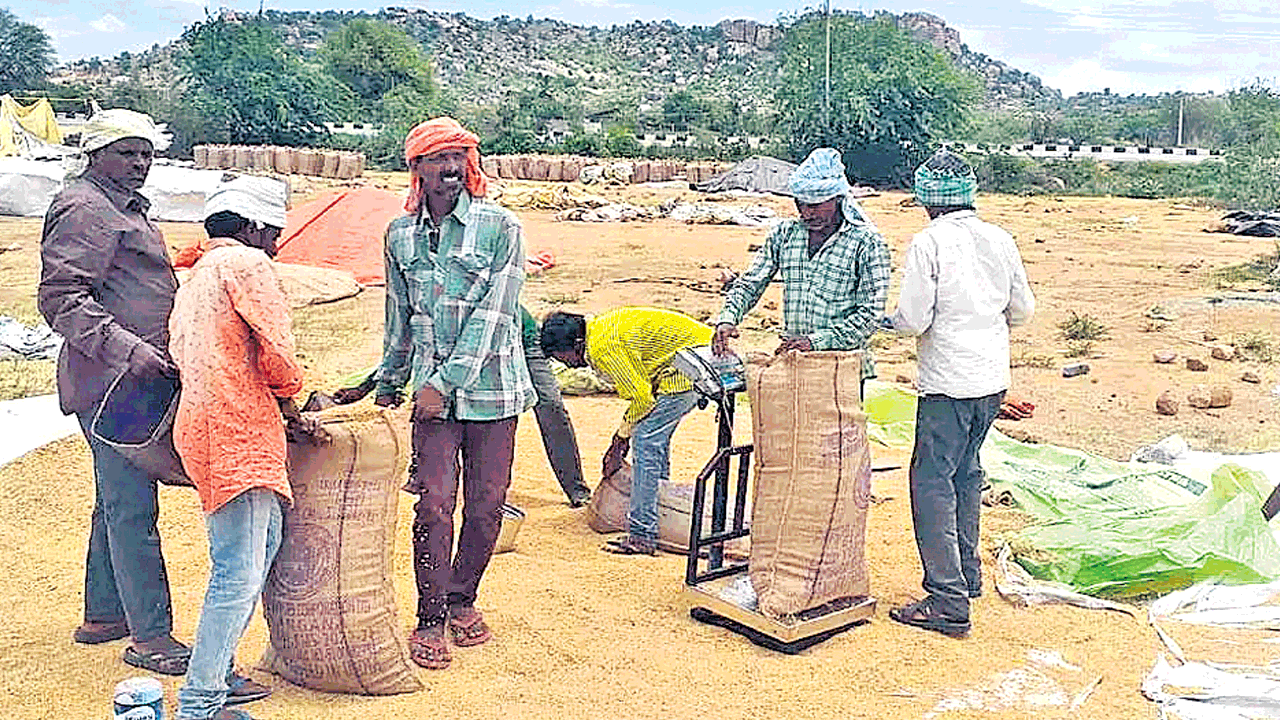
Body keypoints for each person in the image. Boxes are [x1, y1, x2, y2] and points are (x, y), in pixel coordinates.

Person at [378, 117, 535, 671]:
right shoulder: (399, 235)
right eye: (436, 159)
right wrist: (387, 382)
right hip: (428, 398)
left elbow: (497, 315)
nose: (448, 170)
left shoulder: (501, 227)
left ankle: (463, 598)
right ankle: (429, 613)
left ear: (470, 164)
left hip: (493, 391)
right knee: (434, 504)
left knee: (487, 505)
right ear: (415, 168)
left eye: (458, 158)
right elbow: (398, 315)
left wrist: (443, 385)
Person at [37, 109, 191, 675]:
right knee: (131, 506)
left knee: (117, 498)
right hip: (113, 382)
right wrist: (130, 348)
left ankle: (103, 614)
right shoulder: (86, 208)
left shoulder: (118, 207)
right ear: (96, 154)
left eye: (146, 153)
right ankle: (152, 638)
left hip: (131, 378)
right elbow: (60, 298)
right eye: (127, 153)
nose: (140, 164)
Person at [168, 175, 314, 720]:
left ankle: (219, 671)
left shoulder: (198, 273)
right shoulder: (248, 266)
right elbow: (275, 349)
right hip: (238, 429)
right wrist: (294, 401)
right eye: (274, 232)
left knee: (260, 548)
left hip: (206, 425)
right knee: (237, 570)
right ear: (254, 227)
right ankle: (200, 702)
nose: (277, 244)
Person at [884, 149, 1035, 638]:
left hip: (947, 383)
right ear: (970, 195)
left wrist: (883, 324)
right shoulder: (1000, 238)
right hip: (991, 380)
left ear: (928, 200)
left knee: (931, 482)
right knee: (967, 474)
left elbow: (913, 319)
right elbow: (1022, 310)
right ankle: (968, 576)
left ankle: (946, 601)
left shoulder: (929, 243)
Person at [331, 303, 591, 507]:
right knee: (431, 396)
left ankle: (576, 489)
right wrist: (368, 386)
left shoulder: (490, 300)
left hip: (519, 337)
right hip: (465, 344)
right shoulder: (437, 311)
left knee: (551, 406)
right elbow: (406, 350)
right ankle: (420, 474)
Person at [710, 148, 890, 392]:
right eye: (801, 204)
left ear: (838, 198)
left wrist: (815, 342)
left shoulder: (867, 243)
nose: (807, 213)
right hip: (793, 363)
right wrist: (728, 319)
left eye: (816, 205)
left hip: (841, 369)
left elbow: (870, 315)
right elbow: (750, 284)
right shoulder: (784, 235)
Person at [540, 307, 712, 556]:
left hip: (691, 368)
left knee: (645, 440)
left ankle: (643, 534)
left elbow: (642, 399)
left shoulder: (602, 348)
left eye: (561, 356)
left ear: (577, 343)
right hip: (700, 357)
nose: (565, 363)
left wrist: (619, 442)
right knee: (652, 439)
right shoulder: (599, 330)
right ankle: (659, 512)